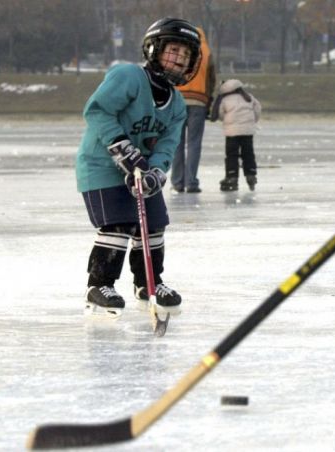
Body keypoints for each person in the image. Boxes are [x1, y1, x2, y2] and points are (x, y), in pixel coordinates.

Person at [76, 18, 201, 318]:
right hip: (101, 166)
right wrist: (123, 149)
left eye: (185, 56)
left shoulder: (177, 103)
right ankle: (99, 285)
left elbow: (168, 145)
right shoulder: (129, 76)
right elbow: (97, 111)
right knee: (119, 224)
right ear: (154, 49)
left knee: (154, 224)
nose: (179, 59)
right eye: (174, 51)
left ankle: (148, 283)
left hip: (140, 170)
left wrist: (156, 172)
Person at [171, 26, 216, 194]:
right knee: (194, 143)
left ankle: (177, 182)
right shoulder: (206, 51)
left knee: (177, 143)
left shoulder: (179, 49)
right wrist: (208, 100)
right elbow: (211, 79)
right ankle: (191, 183)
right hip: (198, 102)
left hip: (177, 101)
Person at [210, 79, 261, 192]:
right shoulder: (249, 97)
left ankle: (232, 177)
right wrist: (252, 121)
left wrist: (227, 120)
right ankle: (251, 175)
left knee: (232, 155)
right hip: (248, 131)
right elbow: (257, 110)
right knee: (248, 154)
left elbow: (220, 114)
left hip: (232, 132)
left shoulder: (225, 100)